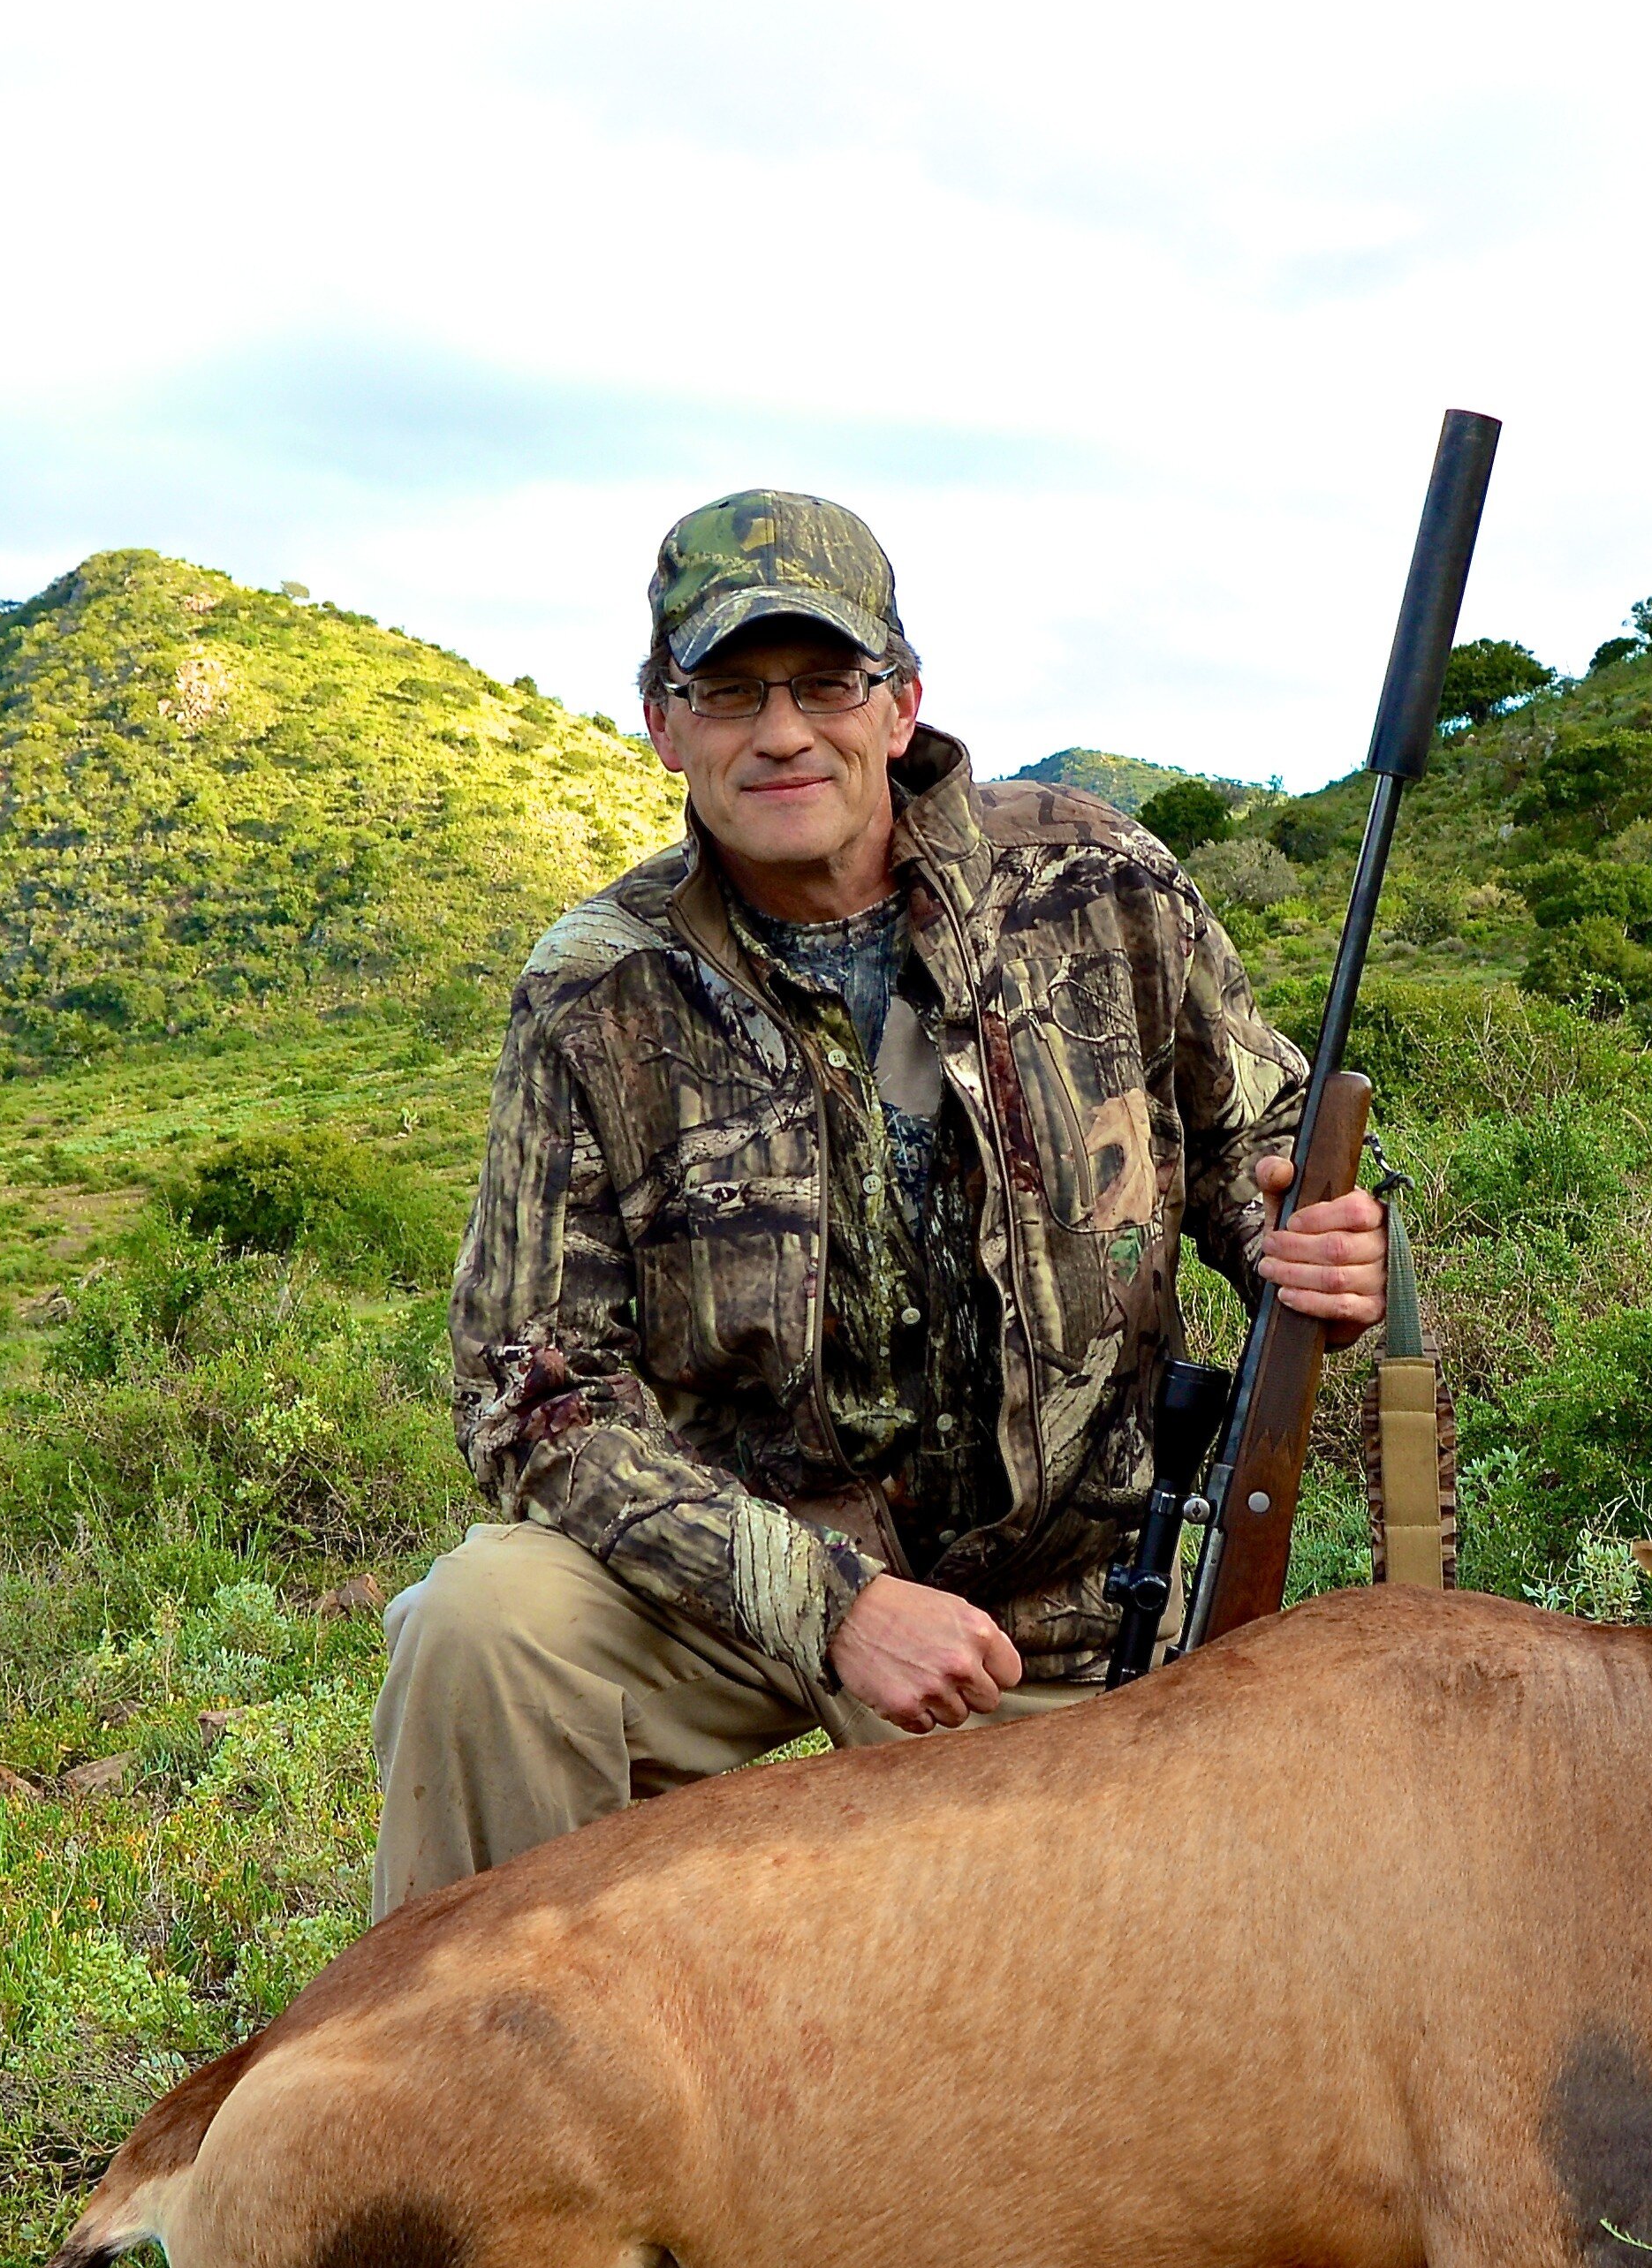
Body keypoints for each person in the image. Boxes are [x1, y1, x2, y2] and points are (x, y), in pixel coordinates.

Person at [365, 488, 1387, 1916]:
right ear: (663, 723)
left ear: (900, 703)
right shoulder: (595, 990)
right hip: (745, 1601)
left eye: (825, 682)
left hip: (1070, 1619)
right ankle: (485, 2084)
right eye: (727, 690)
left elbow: (1258, 1141)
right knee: (485, 1625)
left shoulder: (1096, 882)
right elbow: (532, 1395)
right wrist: (827, 1606)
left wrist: (1313, 1231)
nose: (780, 731)